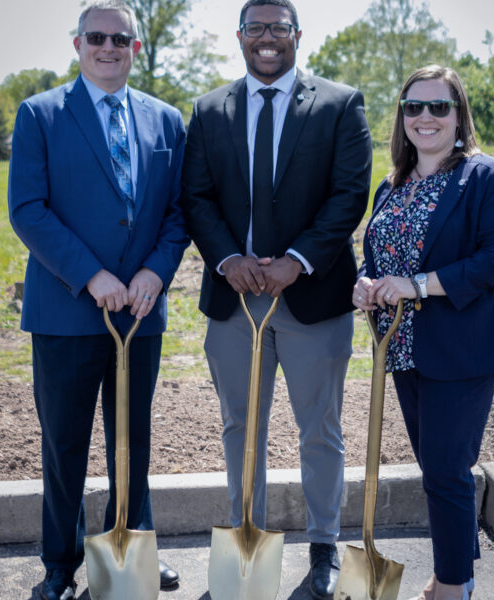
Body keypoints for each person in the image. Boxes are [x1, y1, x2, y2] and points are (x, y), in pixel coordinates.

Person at [181, 1, 372, 598]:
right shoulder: (210, 109)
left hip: (313, 297)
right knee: (241, 429)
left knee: (321, 430)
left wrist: (298, 261)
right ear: (240, 36)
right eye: (256, 28)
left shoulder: (340, 104)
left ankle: (324, 548)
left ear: (297, 36)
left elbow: (349, 194)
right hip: (235, 302)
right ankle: (248, 546)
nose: (268, 40)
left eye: (279, 28)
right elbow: (197, 197)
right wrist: (227, 259)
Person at [8, 2, 189, 598]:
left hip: (139, 310)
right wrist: (91, 276)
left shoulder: (166, 121)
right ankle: (59, 566)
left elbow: (177, 212)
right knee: (64, 444)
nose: (108, 46)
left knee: (132, 439)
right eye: (96, 37)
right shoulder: (41, 114)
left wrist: (155, 274)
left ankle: (134, 548)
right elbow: (27, 210)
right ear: (77, 43)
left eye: (121, 38)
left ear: (136, 47)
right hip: (65, 311)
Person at [353, 65, 494, 600]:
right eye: (413, 107)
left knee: (446, 472)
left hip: (463, 349)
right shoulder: (392, 184)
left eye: (438, 107)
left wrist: (417, 285)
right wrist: (366, 284)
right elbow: (377, 258)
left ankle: (453, 584)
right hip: (402, 349)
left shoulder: (488, 176)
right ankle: (457, 570)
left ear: (459, 115)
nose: (425, 117)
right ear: (401, 118)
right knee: (438, 469)